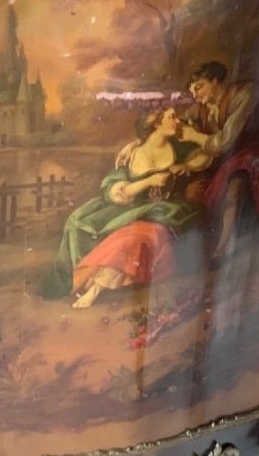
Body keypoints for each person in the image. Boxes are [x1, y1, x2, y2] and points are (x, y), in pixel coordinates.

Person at [43, 107, 197, 309]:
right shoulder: (133, 155)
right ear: (155, 125)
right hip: (135, 210)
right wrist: (150, 179)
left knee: (138, 238)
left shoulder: (179, 145)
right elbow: (118, 189)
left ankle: (95, 287)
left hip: (166, 211)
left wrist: (188, 166)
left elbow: (206, 152)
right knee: (85, 224)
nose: (177, 121)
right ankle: (85, 280)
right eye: (171, 117)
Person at [176, 60, 259, 261]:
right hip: (223, 159)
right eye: (193, 92)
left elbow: (227, 140)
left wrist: (194, 136)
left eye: (199, 87)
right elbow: (173, 128)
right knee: (195, 189)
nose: (196, 95)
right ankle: (208, 243)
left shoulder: (245, 93)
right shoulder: (199, 109)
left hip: (254, 153)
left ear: (215, 81)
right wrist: (136, 144)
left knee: (235, 188)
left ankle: (223, 248)